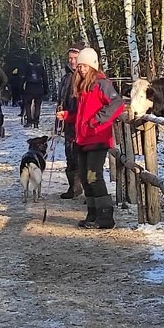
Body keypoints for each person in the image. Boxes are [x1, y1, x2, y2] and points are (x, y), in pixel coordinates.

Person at [56, 48, 124, 229]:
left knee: (94, 176)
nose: (81, 69)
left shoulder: (102, 84)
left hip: (97, 137)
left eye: (84, 65)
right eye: (79, 66)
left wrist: (97, 120)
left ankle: (105, 216)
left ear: (92, 65)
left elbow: (117, 104)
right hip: (82, 138)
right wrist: (68, 116)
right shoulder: (83, 85)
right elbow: (81, 114)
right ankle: (92, 213)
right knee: (85, 178)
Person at [57, 42, 84, 199]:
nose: (72, 61)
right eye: (70, 58)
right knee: (70, 154)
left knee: (80, 156)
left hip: (79, 121)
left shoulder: (84, 78)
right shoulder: (67, 76)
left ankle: (84, 188)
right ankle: (73, 187)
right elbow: (62, 99)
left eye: (75, 58)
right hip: (68, 121)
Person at [22, 53, 48, 128]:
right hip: (39, 88)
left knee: (27, 105)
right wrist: (46, 89)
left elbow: (23, 77)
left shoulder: (27, 67)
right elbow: (45, 79)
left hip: (29, 88)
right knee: (37, 106)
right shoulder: (41, 67)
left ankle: (29, 121)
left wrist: (21, 88)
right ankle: (36, 121)